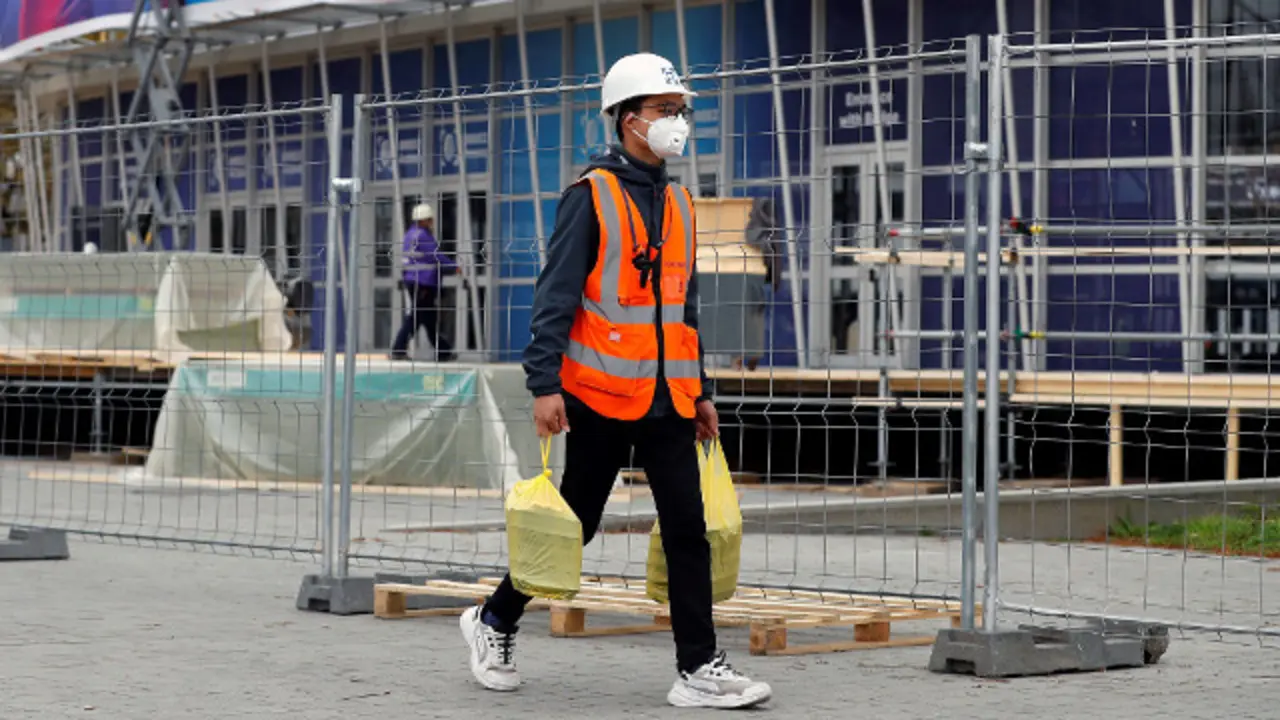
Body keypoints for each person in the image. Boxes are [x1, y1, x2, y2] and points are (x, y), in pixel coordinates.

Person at [458, 52, 772, 710]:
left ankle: (698, 668)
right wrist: (544, 384)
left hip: (668, 399)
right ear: (629, 119)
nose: (677, 120)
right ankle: (494, 619)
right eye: (665, 109)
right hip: (599, 394)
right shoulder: (590, 196)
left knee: (687, 526)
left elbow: (683, 309)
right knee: (575, 523)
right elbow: (555, 296)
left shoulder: (680, 202)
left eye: (680, 110)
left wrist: (701, 391)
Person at [390, 203, 456, 361]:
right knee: (417, 317)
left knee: (427, 318)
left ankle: (443, 351)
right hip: (423, 283)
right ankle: (399, 349)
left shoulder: (409, 235)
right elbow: (436, 255)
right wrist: (454, 267)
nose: (431, 222)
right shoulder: (423, 236)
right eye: (429, 219)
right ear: (423, 220)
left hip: (414, 281)